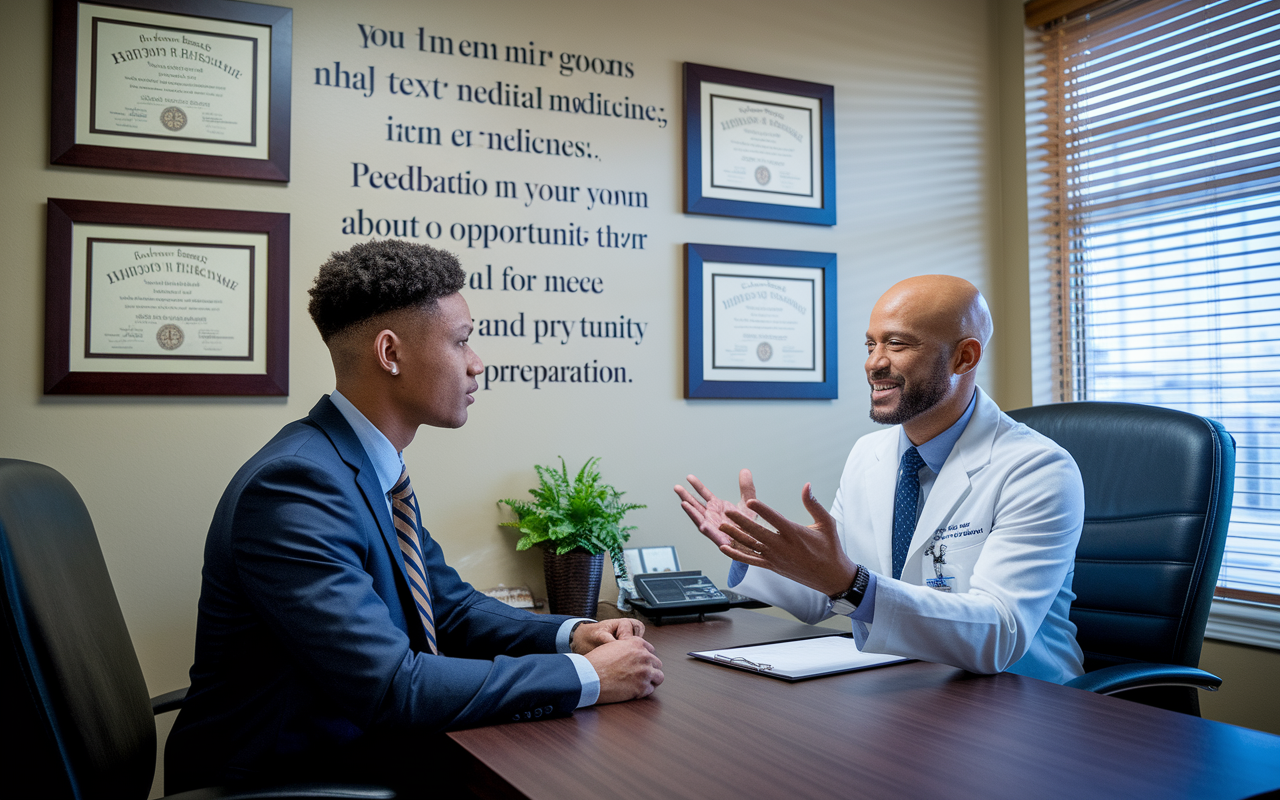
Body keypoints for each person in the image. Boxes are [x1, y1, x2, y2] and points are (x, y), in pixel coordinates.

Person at [167, 239, 663, 794]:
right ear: (390, 353)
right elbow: (392, 688)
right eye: (461, 341)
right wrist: (587, 678)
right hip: (282, 778)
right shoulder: (293, 487)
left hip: (359, 753)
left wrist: (574, 635)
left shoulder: (364, 466)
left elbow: (448, 608)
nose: (478, 363)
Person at [675, 275, 1085, 683]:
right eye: (871, 344)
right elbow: (829, 594)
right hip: (911, 690)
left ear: (964, 357)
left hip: (1026, 701)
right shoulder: (867, 455)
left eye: (897, 343)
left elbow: (1000, 632)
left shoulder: (1039, 469)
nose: (874, 362)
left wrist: (851, 584)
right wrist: (758, 548)